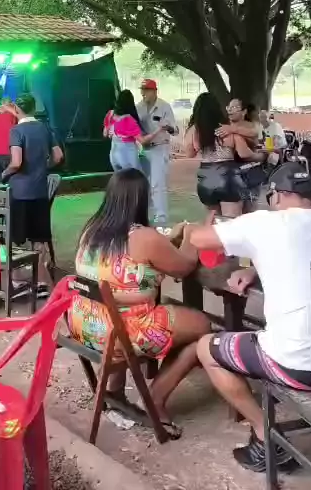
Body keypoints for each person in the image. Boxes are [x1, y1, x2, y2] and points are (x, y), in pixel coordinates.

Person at [190, 162, 311, 473]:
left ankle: (264, 436)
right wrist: (255, 269)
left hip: (296, 366)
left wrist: (206, 215)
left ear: (276, 196)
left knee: (205, 348)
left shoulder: (264, 223)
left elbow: (199, 239)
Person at [69, 169, 210, 436]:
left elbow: (137, 256)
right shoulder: (143, 237)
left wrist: (168, 238)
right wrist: (191, 234)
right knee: (201, 326)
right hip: (119, 333)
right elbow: (184, 267)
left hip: (85, 325)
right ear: (142, 199)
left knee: (140, 312)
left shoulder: (92, 229)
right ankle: (155, 399)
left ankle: (114, 391)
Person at [1, 93, 64, 293]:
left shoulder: (16, 131)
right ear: (34, 108)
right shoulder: (44, 128)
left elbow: (16, 162)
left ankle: (19, 279)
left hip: (20, 192)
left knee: (17, 238)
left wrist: (5, 173)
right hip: (40, 191)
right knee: (38, 238)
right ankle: (41, 282)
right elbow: (58, 155)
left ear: (17, 109)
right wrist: (44, 167)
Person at [184, 93, 259, 217]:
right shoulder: (226, 129)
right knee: (231, 223)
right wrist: (261, 156)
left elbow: (189, 153)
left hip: (206, 177)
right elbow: (245, 152)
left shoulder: (194, 130)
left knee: (214, 222)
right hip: (228, 176)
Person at [136, 79, 178, 226]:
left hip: (160, 147)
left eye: (146, 90)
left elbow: (175, 130)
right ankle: (144, 215)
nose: (143, 93)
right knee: (143, 184)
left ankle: (161, 218)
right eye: (142, 90)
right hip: (143, 149)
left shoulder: (164, 107)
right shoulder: (138, 107)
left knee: (157, 184)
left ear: (154, 91)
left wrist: (167, 127)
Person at [103, 89, 163, 173]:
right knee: (138, 178)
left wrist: (114, 133)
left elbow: (105, 134)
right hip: (127, 156)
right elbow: (143, 141)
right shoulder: (128, 120)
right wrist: (158, 130)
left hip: (114, 156)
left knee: (121, 179)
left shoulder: (110, 114)